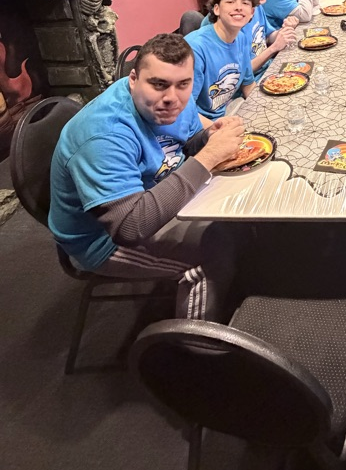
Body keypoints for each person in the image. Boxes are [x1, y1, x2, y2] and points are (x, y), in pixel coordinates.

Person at [48, 34, 245, 321]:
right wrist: (208, 157)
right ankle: (196, 351)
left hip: (154, 192)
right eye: (158, 84)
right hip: (103, 241)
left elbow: (186, 143)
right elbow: (130, 227)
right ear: (133, 79)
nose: (172, 98)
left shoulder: (173, 97)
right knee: (212, 257)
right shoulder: (104, 135)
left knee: (236, 211)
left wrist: (208, 137)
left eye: (183, 84)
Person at [200, 0, 297, 79]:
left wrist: (284, 31)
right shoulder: (228, 19)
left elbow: (267, 35)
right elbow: (239, 74)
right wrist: (274, 48)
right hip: (249, 81)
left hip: (267, 69)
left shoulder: (256, 6)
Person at [185, 0, 258, 123]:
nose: (238, 7)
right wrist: (216, 130)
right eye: (230, 2)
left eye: (245, 3)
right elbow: (184, 109)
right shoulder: (196, 47)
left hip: (227, 113)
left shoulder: (242, 38)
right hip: (199, 125)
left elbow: (248, 84)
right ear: (216, 9)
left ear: (252, 12)